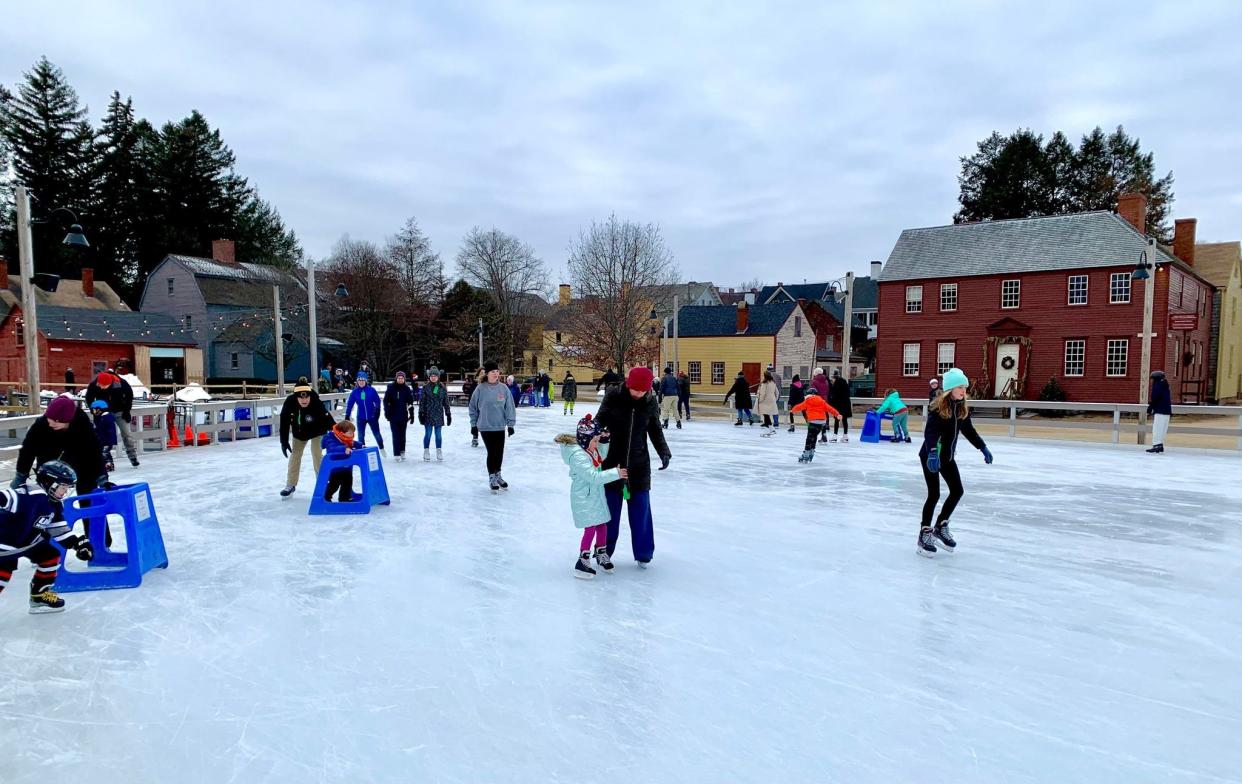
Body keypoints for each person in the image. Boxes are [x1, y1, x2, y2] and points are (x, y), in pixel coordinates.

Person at [595, 367, 671, 567]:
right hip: (612, 463)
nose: (639, 394)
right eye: (635, 390)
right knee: (609, 512)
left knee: (641, 512)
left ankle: (644, 553)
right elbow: (599, 419)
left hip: (638, 466)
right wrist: (594, 434)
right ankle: (604, 551)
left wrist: (664, 451)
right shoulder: (613, 395)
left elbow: (655, 429)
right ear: (628, 385)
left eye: (643, 391)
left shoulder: (650, 401)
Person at [12, 395, 110, 547]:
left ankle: (99, 542)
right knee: (46, 504)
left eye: (56, 421)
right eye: (50, 419)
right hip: (49, 468)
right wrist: (21, 475)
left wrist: (102, 477)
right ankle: (44, 545)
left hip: (81, 465)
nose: (51, 423)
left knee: (89, 497)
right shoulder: (42, 425)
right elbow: (27, 451)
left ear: (68, 420)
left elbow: (94, 452)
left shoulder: (82, 425)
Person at [0, 461, 96, 614]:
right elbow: (6, 497)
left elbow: (59, 530)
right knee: (2, 575)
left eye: (67, 488)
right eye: (63, 487)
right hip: (5, 545)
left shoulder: (54, 504)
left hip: (28, 543)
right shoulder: (30, 494)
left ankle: (39, 596)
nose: (64, 492)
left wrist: (78, 544)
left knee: (50, 556)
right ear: (49, 481)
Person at [918, 368, 993, 558]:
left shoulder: (961, 408)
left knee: (957, 491)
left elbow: (969, 431)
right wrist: (932, 452)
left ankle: (940, 526)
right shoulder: (937, 408)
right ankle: (924, 533)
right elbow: (930, 433)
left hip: (947, 457)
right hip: (931, 456)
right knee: (934, 494)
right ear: (950, 388)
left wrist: (982, 447)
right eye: (960, 387)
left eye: (965, 387)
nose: (963, 390)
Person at [555, 414, 626, 579]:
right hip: (584, 497)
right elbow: (593, 476)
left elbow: (600, 456)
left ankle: (601, 553)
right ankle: (583, 560)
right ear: (585, 440)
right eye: (595, 440)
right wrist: (616, 473)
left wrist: (604, 441)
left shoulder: (589, 449)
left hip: (595, 494)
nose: (596, 444)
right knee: (590, 528)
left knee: (602, 524)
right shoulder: (578, 457)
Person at [279, 378, 334, 497]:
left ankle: (322, 483)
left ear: (310, 396)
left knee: (317, 454)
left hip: (317, 431)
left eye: (306, 397)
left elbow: (327, 417)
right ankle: (291, 484)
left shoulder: (316, 401)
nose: (304, 400)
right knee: (295, 456)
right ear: (296, 397)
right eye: (301, 398)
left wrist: (337, 431)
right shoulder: (290, 402)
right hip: (299, 433)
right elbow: (284, 422)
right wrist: (283, 442)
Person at [468, 361, 517, 492]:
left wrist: (510, 424)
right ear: (487, 374)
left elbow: (509, 407)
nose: (496, 374)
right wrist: (473, 425)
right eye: (493, 372)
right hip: (485, 426)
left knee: (499, 453)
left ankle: (498, 475)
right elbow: (473, 407)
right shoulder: (480, 388)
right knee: (492, 452)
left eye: (497, 371)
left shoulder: (504, 388)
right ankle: (492, 477)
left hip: (499, 426)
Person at [84, 371, 140, 467]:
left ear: (110, 383)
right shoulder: (94, 385)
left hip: (120, 411)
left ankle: (132, 456)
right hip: (103, 412)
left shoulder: (121, 383)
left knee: (126, 434)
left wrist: (127, 410)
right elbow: (89, 398)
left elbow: (129, 395)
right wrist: (93, 410)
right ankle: (107, 460)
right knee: (102, 435)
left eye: (104, 386)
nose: (101, 387)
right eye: (100, 385)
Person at [791, 387, 840, 463]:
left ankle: (806, 453)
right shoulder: (822, 401)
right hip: (821, 423)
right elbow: (830, 408)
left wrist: (793, 410)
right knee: (814, 437)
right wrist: (837, 414)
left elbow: (800, 406)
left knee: (809, 437)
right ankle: (812, 451)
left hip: (813, 422)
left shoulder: (808, 401)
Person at [345, 372, 384, 452]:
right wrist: (347, 414)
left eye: (363, 380)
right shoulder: (355, 392)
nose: (361, 382)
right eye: (359, 381)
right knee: (361, 435)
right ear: (357, 382)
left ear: (366, 381)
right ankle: (362, 451)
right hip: (361, 417)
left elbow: (377, 401)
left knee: (377, 434)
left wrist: (377, 410)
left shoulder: (371, 390)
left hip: (372, 416)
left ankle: (381, 447)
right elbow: (350, 403)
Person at [321, 420, 358, 502]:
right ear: (341, 432)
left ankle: (344, 499)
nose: (352, 435)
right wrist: (344, 448)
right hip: (334, 467)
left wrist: (361, 445)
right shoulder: (330, 438)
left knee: (348, 482)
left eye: (353, 433)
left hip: (345, 466)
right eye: (350, 433)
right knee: (334, 484)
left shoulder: (346, 438)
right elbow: (333, 448)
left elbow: (353, 443)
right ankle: (326, 497)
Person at [419, 367, 451, 461]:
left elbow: (446, 402)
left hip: (438, 414)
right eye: (431, 376)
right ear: (429, 377)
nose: (433, 378)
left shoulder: (442, 387)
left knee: (438, 434)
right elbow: (422, 401)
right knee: (428, 434)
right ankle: (426, 450)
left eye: (435, 376)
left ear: (438, 377)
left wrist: (448, 414)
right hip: (428, 414)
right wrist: (421, 412)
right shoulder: (426, 387)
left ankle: (438, 450)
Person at [383, 371, 415, 461]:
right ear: (396, 378)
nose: (400, 379)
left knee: (402, 435)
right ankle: (396, 453)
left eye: (402, 378)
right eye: (399, 378)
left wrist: (411, 414)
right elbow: (386, 401)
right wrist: (387, 411)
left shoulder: (406, 389)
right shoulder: (391, 388)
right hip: (393, 415)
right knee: (395, 435)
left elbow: (410, 402)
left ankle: (402, 451)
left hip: (403, 415)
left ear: (404, 379)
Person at [1147, 370, 1172, 454]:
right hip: (1166, 410)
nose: (1152, 381)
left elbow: (1155, 397)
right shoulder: (1165, 385)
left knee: (1157, 428)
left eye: (1152, 379)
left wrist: (1151, 407)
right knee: (1163, 429)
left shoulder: (1158, 385)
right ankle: (1160, 444)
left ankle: (1156, 445)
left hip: (1160, 410)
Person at [90, 400, 117, 472]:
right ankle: (108, 465)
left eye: (94, 410)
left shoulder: (107, 418)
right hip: (102, 440)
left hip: (106, 441)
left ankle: (108, 465)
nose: (93, 412)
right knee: (105, 453)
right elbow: (98, 429)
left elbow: (109, 431)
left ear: (100, 409)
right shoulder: (100, 418)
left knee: (104, 453)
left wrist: (109, 441)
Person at [829, 370, 853, 442]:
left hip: (838, 404)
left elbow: (834, 395)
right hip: (846, 404)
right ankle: (845, 436)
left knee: (837, 419)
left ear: (834, 377)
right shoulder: (845, 382)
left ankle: (835, 436)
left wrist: (831, 403)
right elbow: (848, 393)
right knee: (844, 420)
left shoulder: (836, 384)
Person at [463, 368, 483, 447]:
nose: (482, 374)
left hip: (485, 406)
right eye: (481, 373)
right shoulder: (474, 383)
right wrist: (466, 386)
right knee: (474, 421)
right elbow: (468, 391)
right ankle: (475, 437)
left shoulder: (488, 383)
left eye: (484, 373)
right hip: (475, 405)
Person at [756, 370, 779, 436]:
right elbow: (777, 392)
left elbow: (763, 393)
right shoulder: (773, 382)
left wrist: (760, 400)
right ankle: (771, 429)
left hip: (765, 401)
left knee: (766, 415)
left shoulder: (764, 383)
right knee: (767, 415)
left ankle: (768, 430)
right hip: (772, 400)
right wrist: (775, 399)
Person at [811, 368, 831, 443]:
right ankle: (824, 434)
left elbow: (813, 392)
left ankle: (814, 435)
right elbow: (828, 391)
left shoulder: (814, 381)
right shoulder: (826, 381)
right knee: (823, 418)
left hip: (817, 401)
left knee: (816, 418)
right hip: (824, 400)